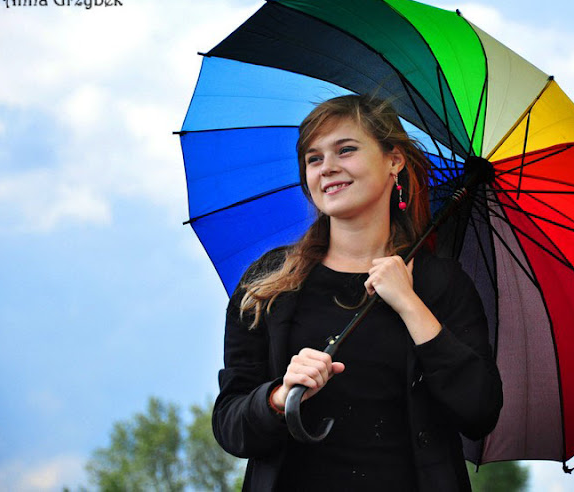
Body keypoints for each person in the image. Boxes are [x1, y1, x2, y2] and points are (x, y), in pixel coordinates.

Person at [212, 94, 502, 491]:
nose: (327, 167)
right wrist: (278, 397)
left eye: (345, 150)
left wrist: (410, 305)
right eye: (314, 158)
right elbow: (230, 426)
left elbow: (479, 410)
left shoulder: (441, 284)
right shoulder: (268, 283)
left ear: (394, 161)